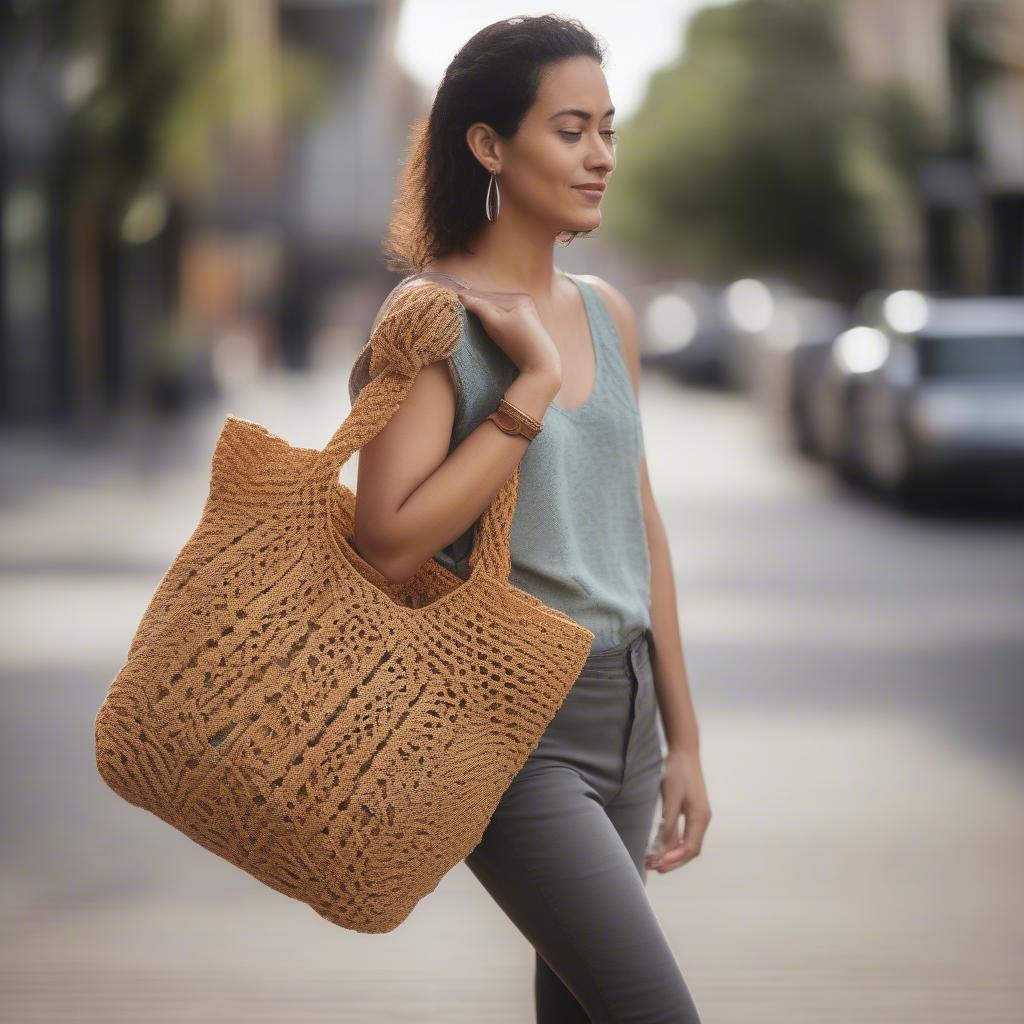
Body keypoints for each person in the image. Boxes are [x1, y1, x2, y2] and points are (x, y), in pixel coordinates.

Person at [348, 14, 709, 1023]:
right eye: (570, 129)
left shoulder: (607, 312)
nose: (600, 157)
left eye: (607, 128)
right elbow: (386, 538)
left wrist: (681, 735)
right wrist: (530, 389)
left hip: (626, 714)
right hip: (510, 726)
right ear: (488, 145)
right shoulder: (432, 318)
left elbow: (639, 527)